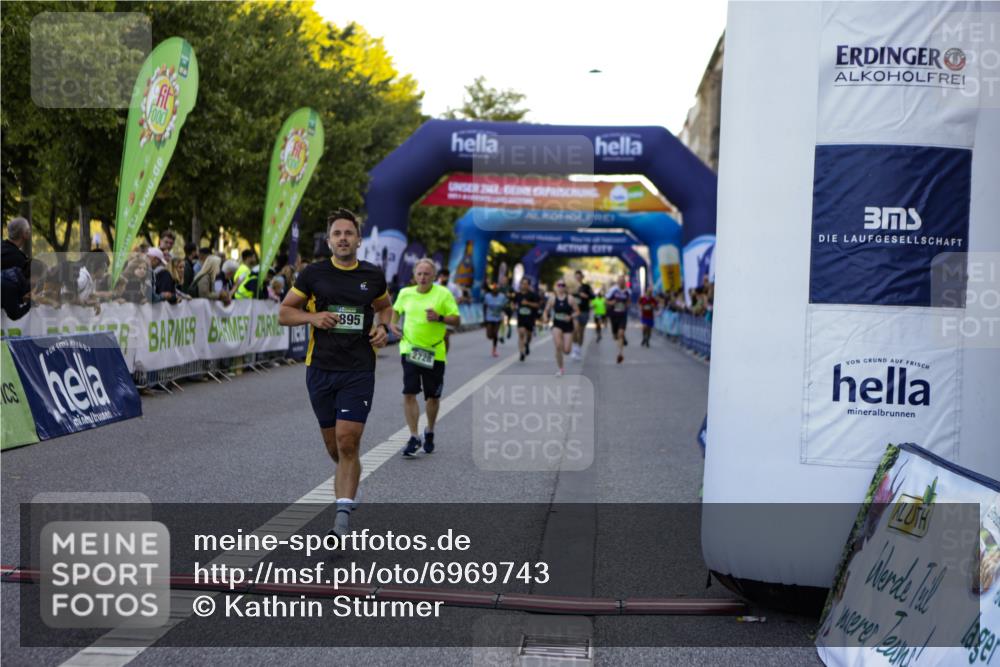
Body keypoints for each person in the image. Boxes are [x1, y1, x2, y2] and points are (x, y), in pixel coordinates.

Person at [278, 208, 391, 538]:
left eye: (348, 233)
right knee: (336, 447)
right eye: (337, 234)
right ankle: (351, 472)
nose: (343, 238)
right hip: (320, 369)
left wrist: (384, 327)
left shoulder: (372, 275)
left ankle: (341, 520)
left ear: (358, 240)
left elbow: (384, 307)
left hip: (358, 370)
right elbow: (285, 312)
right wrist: (313, 318)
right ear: (329, 242)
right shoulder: (313, 274)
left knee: (346, 440)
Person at [391, 258, 461, 457]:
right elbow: (396, 311)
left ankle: (429, 430)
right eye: (419, 274)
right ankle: (414, 436)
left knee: (433, 397)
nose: (422, 277)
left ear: (434, 276)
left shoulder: (443, 294)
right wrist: (393, 324)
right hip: (410, 349)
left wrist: (440, 317)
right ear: (414, 275)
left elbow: (456, 320)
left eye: (427, 274)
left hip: (435, 352)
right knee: (409, 392)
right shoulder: (405, 293)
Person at [542, 279, 579, 376]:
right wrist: (545, 318)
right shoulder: (552, 298)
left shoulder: (570, 299)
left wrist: (570, 316)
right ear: (556, 286)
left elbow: (577, 312)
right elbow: (546, 310)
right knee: (558, 346)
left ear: (565, 287)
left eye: (563, 285)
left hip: (568, 325)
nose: (561, 287)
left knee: (567, 351)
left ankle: (563, 348)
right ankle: (561, 368)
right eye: (559, 285)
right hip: (557, 325)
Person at [513, 277, 541, 362]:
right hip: (521, 318)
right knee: (521, 334)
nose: (524, 285)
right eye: (522, 283)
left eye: (525, 284)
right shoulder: (517, 295)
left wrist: (528, 303)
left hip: (530, 318)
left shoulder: (533, 295)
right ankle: (521, 353)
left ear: (528, 285)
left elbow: (537, 305)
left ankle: (527, 344)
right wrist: (514, 307)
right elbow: (514, 304)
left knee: (528, 335)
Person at [606, 275, 632, 364]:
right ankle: (621, 338)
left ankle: (620, 354)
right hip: (613, 315)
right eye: (619, 281)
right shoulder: (613, 290)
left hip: (622, 315)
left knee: (620, 334)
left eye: (622, 281)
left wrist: (627, 304)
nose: (621, 282)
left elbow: (629, 300)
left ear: (624, 282)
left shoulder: (628, 291)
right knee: (615, 336)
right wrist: (611, 302)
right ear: (617, 282)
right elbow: (606, 300)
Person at [571, 269, 594, 360]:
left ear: (582, 277)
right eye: (576, 277)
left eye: (579, 277)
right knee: (574, 330)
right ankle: (575, 348)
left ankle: (579, 349)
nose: (578, 278)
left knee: (581, 332)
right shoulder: (571, 287)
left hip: (584, 311)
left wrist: (586, 296)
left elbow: (593, 296)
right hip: (574, 312)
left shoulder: (586, 287)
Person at [437, 269, 462, 352]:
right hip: (436, 314)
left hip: (448, 315)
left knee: (445, 336)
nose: (443, 278)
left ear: (448, 277)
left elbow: (460, 297)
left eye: (445, 276)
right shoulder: (434, 285)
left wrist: (453, 305)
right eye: (441, 276)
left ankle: (444, 354)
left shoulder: (453, 287)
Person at [482, 282, 508, 357]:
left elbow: (505, 306)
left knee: (495, 333)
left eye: (497, 288)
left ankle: (494, 349)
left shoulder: (502, 296)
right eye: (494, 288)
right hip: (489, 317)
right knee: (489, 335)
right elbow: (484, 306)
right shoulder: (487, 296)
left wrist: (505, 311)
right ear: (492, 289)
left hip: (498, 317)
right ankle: (493, 337)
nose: (495, 289)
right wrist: (484, 318)